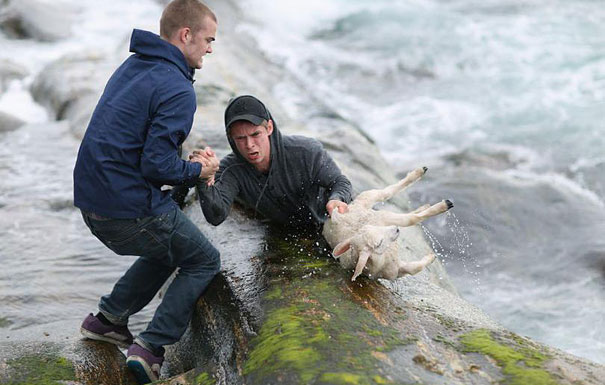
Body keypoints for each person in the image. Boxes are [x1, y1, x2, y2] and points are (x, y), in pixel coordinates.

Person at [73, 1, 219, 383]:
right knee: (203, 258)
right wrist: (198, 170)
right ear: (185, 35)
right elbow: (156, 166)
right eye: (207, 39)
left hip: (92, 203)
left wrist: (179, 163)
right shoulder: (177, 87)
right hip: (125, 209)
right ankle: (151, 347)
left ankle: (108, 320)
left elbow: (137, 146)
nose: (210, 48)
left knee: (170, 243)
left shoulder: (134, 66)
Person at [191, 95, 352, 232]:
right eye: (240, 138)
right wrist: (203, 179)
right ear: (231, 138)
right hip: (281, 231)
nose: (249, 145)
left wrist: (337, 199)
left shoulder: (306, 151)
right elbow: (216, 216)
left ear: (269, 127)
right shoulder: (230, 170)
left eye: (255, 134)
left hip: (328, 223)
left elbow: (340, 181)